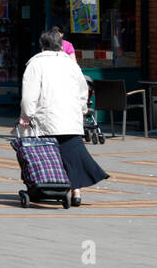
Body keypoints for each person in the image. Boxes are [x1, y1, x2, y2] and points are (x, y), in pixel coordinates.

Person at [20, 28, 108, 206]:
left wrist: (27, 115)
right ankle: (76, 191)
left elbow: (29, 95)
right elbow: (83, 90)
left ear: (42, 46)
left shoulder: (36, 64)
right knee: (71, 153)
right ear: (60, 46)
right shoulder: (71, 64)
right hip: (70, 118)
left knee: (49, 156)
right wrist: (82, 109)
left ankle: (47, 186)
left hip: (47, 119)